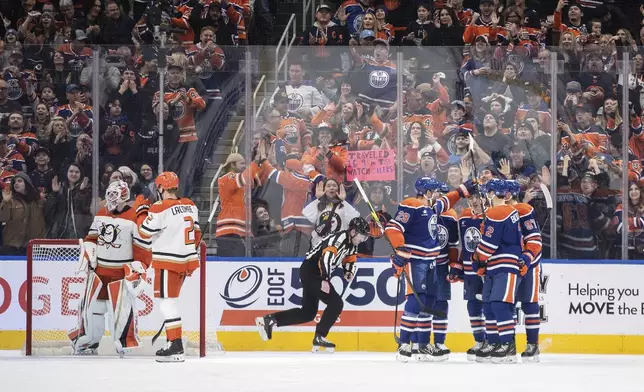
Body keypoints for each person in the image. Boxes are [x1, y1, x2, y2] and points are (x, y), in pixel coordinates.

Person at [386, 177, 474, 362]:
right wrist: (400, 247)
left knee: (430, 302)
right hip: (416, 261)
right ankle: (404, 343)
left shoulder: (432, 208)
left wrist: (461, 190)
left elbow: (446, 201)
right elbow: (394, 227)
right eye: (434, 191)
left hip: (432, 261)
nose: (437, 194)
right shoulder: (412, 205)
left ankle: (424, 345)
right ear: (427, 192)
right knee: (416, 301)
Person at [256, 217, 370, 352]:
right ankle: (320, 336)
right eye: (362, 236)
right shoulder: (339, 239)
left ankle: (269, 320)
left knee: (308, 313)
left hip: (312, 271)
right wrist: (324, 279)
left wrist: (349, 271)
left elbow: (350, 259)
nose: (362, 239)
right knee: (336, 303)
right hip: (312, 271)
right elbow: (326, 258)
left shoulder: (352, 244)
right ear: (352, 232)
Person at [70, 180, 150, 356]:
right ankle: (87, 342)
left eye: (115, 194)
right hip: (99, 273)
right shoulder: (101, 213)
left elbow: (142, 247)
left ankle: (124, 344)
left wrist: (140, 266)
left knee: (121, 313)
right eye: (110, 193)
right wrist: (89, 251)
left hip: (120, 275)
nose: (111, 198)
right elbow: (92, 237)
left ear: (124, 195)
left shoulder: (134, 217)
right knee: (92, 310)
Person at [139, 172, 201, 363]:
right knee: (170, 301)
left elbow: (144, 232)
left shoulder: (159, 207)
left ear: (160, 188)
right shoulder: (190, 205)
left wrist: (141, 210)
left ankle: (175, 345)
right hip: (186, 260)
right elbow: (197, 234)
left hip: (168, 261)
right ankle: (171, 343)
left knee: (167, 303)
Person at [472, 179, 523, 364]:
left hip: (504, 265)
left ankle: (507, 345)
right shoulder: (509, 211)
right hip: (495, 266)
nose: (486, 196)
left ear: (492, 193)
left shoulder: (498, 211)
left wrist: (476, 259)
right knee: (489, 305)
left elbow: (488, 245)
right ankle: (494, 343)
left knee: (499, 305)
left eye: (487, 192)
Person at [507, 180, 543, 362]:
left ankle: (532, 345)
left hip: (529, 264)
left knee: (529, 304)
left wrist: (527, 258)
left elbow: (535, 240)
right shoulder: (499, 211)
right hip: (509, 265)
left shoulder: (523, 210)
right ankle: (509, 342)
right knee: (508, 306)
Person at [449, 192, 486, 361]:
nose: (474, 201)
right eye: (471, 198)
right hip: (471, 270)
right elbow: (462, 244)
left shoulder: (491, 215)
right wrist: (458, 266)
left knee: (491, 306)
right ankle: (479, 341)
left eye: (478, 198)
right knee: (473, 306)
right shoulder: (463, 217)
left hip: (487, 269)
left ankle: (493, 341)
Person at [0, 172, 46, 255]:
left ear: (27, 183)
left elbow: (50, 216)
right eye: (14, 182)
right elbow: (3, 218)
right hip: (13, 245)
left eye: (19, 181)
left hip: (35, 246)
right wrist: (5, 202)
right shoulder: (10, 200)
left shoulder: (39, 201)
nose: (16, 183)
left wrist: (54, 195)